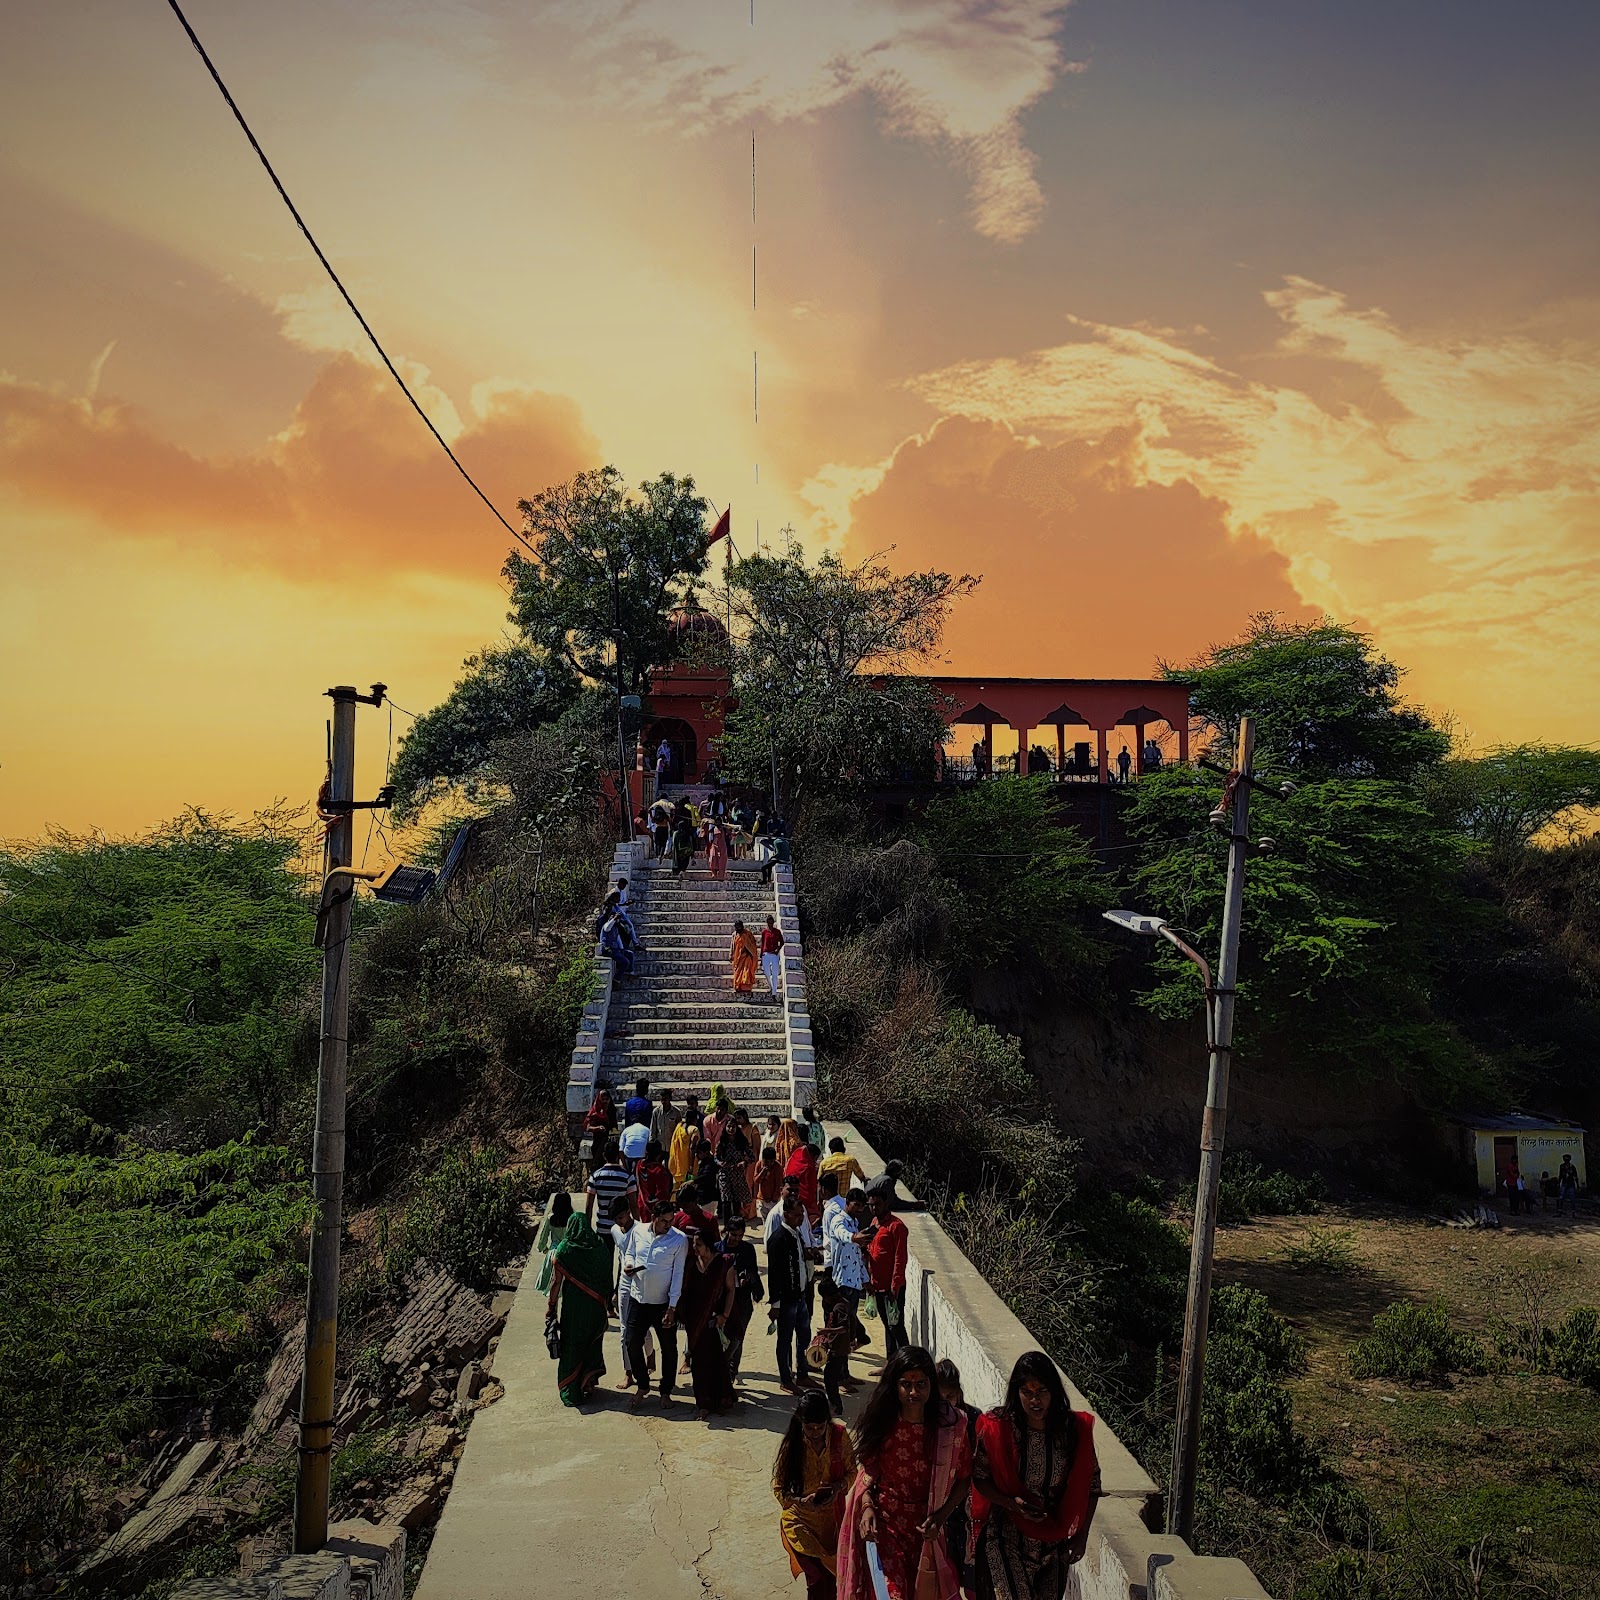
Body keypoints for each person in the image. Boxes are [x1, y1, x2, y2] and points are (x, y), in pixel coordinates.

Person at [837, 1346, 973, 1600]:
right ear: (894, 1386)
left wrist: (941, 1517)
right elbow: (868, 1470)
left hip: (927, 1531)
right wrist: (866, 1507)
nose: (914, 1392)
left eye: (921, 1384)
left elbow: (964, 1478)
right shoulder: (883, 1420)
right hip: (887, 1527)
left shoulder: (951, 1427)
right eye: (906, 1384)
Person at [970, 1351, 1099, 1597]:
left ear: (1054, 1392)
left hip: (1054, 1544)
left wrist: (1082, 1535)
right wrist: (1010, 1503)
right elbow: (980, 1477)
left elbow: (1091, 1484)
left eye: (1041, 1391)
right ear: (1016, 1394)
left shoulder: (1073, 1432)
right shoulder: (999, 1430)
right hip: (1006, 1539)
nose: (1035, 1400)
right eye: (1027, 1393)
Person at [774, 1389, 857, 1600]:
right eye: (810, 1428)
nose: (816, 1432)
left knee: (832, 1580)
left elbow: (852, 1472)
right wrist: (801, 1501)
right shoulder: (792, 1446)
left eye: (820, 1427)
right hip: (799, 1521)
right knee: (817, 1578)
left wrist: (838, 1488)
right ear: (801, 1423)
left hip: (832, 1522)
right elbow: (778, 1488)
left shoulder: (839, 1437)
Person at [620, 1199, 689, 1410]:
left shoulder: (679, 1240)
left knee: (669, 1348)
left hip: (663, 1304)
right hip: (638, 1299)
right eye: (664, 1221)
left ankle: (666, 1391)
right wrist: (628, 1265)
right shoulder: (638, 1231)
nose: (668, 1225)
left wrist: (672, 1307)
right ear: (653, 1218)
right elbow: (629, 1252)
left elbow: (678, 1274)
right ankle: (643, 1385)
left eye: (671, 1221)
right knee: (631, 1342)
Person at [544, 1213, 612, 1407]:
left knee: (573, 1346)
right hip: (596, 1306)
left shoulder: (566, 1249)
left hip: (574, 1308)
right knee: (591, 1343)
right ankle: (588, 1383)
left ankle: (572, 1390)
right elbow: (607, 1276)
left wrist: (551, 1308)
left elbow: (556, 1282)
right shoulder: (599, 1245)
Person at [678, 1229, 738, 1418]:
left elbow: (730, 1291)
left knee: (716, 1361)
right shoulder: (691, 1264)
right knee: (699, 1364)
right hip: (694, 1321)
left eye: (698, 1244)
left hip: (714, 1322)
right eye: (694, 1244)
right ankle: (703, 1403)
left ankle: (720, 1399)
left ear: (708, 1245)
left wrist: (725, 1315)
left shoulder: (723, 1264)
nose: (695, 1248)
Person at [935, 1359, 981, 1593]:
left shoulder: (973, 1419)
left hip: (970, 1510)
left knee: (973, 1581)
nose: (946, 1405)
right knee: (946, 1579)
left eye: (950, 1397)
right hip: (940, 1508)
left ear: (959, 1393)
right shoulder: (928, 1420)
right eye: (940, 1399)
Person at [768, 1192, 815, 1393]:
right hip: (786, 1300)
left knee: (804, 1336)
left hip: (800, 1295)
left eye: (801, 1214)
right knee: (785, 1340)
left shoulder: (797, 1235)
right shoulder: (778, 1238)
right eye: (797, 1215)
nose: (801, 1218)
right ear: (786, 1214)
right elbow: (774, 1273)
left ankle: (802, 1374)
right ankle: (786, 1379)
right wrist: (775, 1304)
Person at [720, 1214, 763, 1382]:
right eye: (734, 1235)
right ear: (727, 1232)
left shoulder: (747, 1249)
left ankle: (730, 1373)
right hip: (722, 1302)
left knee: (738, 1338)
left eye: (740, 1235)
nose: (737, 1239)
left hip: (742, 1300)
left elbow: (753, 1271)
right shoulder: (718, 1249)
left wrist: (748, 1279)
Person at [866, 1188, 909, 1355]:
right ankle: (890, 1363)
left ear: (886, 1204)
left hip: (892, 1288)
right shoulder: (875, 1223)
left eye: (877, 1204)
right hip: (877, 1285)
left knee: (896, 1326)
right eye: (871, 1205)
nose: (874, 1208)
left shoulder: (897, 1227)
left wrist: (895, 1286)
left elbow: (900, 1257)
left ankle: (907, 1363)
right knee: (887, 1325)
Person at [584, 1137, 636, 1265]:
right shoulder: (628, 1177)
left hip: (603, 1228)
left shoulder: (595, 1177)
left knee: (605, 1264)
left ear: (604, 1156)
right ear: (618, 1155)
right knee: (626, 1261)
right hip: (624, 1227)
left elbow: (589, 1206)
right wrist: (637, 1226)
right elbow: (634, 1205)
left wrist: (587, 1228)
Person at [532, 1191, 574, 1296]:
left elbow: (543, 1237)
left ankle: (552, 1309)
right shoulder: (573, 1218)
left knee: (552, 1287)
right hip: (568, 1253)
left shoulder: (551, 1218)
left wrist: (543, 1248)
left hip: (553, 1252)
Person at [716, 1112, 754, 1224]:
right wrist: (720, 1163)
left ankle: (736, 1225)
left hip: (738, 1175)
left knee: (737, 1202)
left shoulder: (742, 1142)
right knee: (726, 1201)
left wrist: (744, 1162)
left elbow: (752, 1157)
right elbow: (715, 1157)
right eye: (729, 1126)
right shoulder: (721, 1143)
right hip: (725, 1175)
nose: (731, 1129)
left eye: (733, 1127)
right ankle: (727, 1226)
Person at [786, 1133, 822, 1225]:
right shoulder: (808, 1167)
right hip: (803, 1199)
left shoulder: (794, 1158)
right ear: (812, 1156)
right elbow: (811, 1187)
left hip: (788, 1194)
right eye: (815, 1158)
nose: (814, 1161)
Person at [675, 1181, 721, 1245]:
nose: (684, 1209)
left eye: (686, 1206)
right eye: (682, 1206)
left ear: (695, 1201)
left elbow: (717, 1244)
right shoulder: (678, 1217)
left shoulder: (710, 1220)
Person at [637, 1139, 674, 1216]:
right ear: (659, 1154)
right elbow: (662, 1193)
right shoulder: (659, 1171)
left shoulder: (639, 1165)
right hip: (656, 1211)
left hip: (642, 1205)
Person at [599, 911, 634, 980]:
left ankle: (630, 972)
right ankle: (616, 979)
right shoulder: (606, 925)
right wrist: (614, 918)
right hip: (608, 950)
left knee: (630, 954)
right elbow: (607, 928)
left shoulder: (615, 928)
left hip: (615, 949)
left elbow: (618, 939)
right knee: (625, 962)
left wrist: (622, 949)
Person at [732, 919, 761, 999]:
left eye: (739, 927)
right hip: (738, 957)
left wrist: (749, 952)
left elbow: (752, 945)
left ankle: (747, 988)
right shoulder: (735, 935)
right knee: (738, 973)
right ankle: (738, 987)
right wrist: (731, 954)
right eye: (736, 927)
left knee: (747, 972)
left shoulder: (747, 934)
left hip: (747, 957)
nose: (738, 928)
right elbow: (733, 946)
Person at [703, 1084, 734, 1154]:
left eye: (722, 1110)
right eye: (718, 1109)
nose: (719, 1111)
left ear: (726, 1111)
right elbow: (707, 1137)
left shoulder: (730, 1120)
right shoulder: (707, 1120)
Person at [761, 915, 786, 1001]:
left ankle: (774, 993)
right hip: (766, 954)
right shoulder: (764, 932)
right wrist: (761, 955)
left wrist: (777, 949)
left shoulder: (777, 932)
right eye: (769, 922)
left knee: (774, 974)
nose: (770, 924)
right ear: (767, 923)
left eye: (772, 922)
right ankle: (771, 987)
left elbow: (782, 942)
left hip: (774, 954)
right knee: (767, 973)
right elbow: (762, 944)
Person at [651, 1086, 683, 1150]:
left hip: (672, 1146)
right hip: (659, 1148)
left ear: (670, 1099)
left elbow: (679, 1129)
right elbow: (653, 1129)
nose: (663, 1102)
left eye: (665, 1099)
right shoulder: (656, 1112)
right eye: (662, 1099)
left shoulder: (676, 1112)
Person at [668, 1117, 696, 1186]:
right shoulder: (694, 1129)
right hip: (688, 1162)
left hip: (677, 1163)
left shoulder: (679, 1127)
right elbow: (692, 1148)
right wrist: (691, 1165)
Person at [755, 1145, 785, 1209]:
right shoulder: (759, 1164)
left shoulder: (778, 1167)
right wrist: (763, 1172)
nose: (769, 1164)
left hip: (773, 1200)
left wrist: (774, 1197)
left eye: (771, 1161)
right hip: (762, 1198)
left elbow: (779, 1183)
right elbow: (756, 1181)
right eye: (766, 1161)